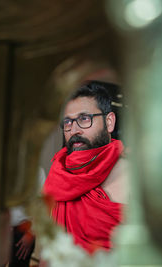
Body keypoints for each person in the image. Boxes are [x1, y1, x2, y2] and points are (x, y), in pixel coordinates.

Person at [43, 80, 128, 254]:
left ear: (109, 122)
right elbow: (47, 246)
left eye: (84, 119)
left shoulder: (133, 173)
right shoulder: (59, 173)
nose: (74, 130)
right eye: (67, 122)